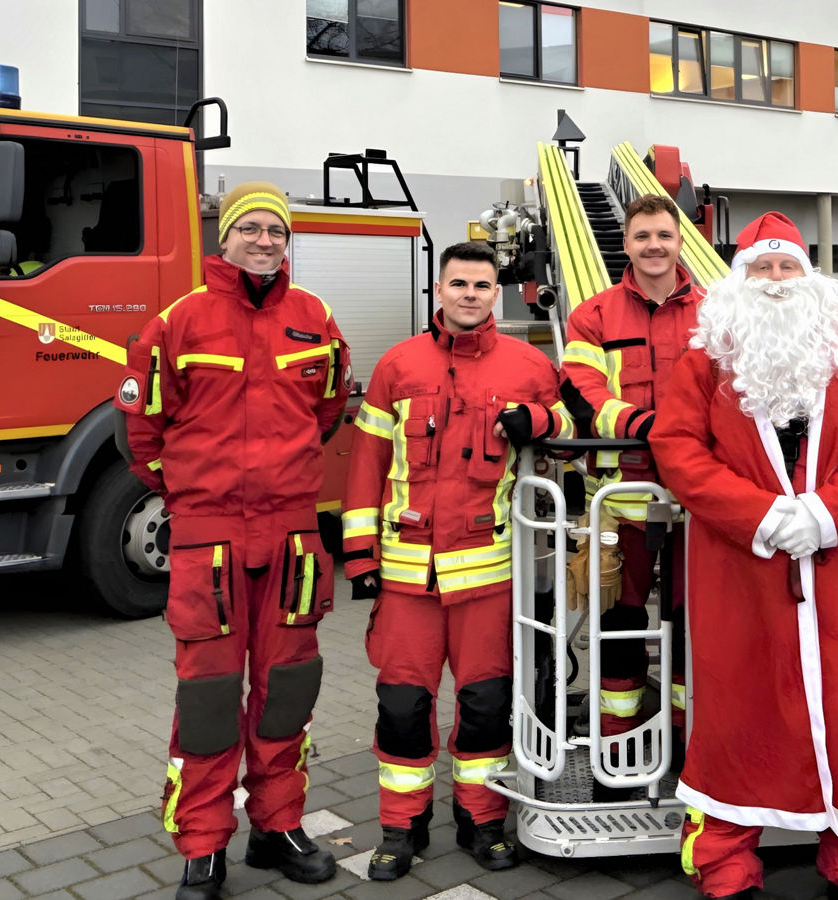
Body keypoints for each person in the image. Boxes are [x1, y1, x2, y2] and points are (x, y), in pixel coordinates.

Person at [650, 212, 838, 900]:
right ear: (738, 282)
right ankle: (725, 862)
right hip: (740, 573)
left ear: (812, 279)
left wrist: (826, 514)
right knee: (738, 715)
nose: (775, 281)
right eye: (762, 269)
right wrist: (764, 515)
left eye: (788, 267)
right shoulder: (703, 361)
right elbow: (677, 449)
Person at [115, 182, 347, 900]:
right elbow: (143, 431)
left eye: (275, 230)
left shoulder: (317, 318)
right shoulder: (178, 321)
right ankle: (204, 847)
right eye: (250, 228)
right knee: (211, 697)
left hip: (291, 534)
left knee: (286, 691)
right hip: (208, 539)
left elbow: (329, 407)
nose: (264, 241)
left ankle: (276, 830)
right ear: (226, 239)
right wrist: (192, 493)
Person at [341, 241, 573, 880]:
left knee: (485, 707)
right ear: (438, 290)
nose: (471, 294)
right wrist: (359, 556)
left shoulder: (530, 365)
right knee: (403, 710)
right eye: (459, 284)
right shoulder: (397, 366)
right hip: (408, 577)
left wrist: (540, 418)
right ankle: (401, 829)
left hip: (489, 577)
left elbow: (572, 432)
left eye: (482, 285)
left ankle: (482, 822)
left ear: (495, 293)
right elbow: (365, 466)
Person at [559, 193, 703, 755]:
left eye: (663, 236)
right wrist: (648, 424)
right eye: (642, 237)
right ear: (626, 245)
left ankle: (689, 736)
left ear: (679, 242)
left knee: (693, 620)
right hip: (620, 501)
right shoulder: (592, 315)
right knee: (618, 619)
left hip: (698, 499)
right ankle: (617, 736)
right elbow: (580, 390)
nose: (654, 246)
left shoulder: (715, 312)